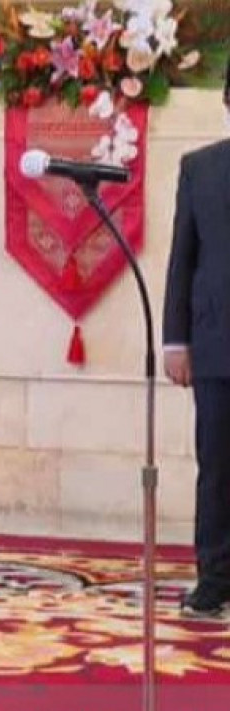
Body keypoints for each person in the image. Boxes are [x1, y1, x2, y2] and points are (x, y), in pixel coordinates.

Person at [162, 56, 230, 618]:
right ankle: (215, 577)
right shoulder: (199, 169)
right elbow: (182, 259)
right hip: (216, 346)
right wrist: (175, 341)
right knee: (218, 469)